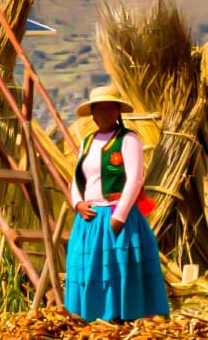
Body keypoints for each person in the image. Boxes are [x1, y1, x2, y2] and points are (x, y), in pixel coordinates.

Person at [64, 85, 169, 322]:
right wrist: (78, 203)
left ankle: (122, 317)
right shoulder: (87, 141)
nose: (105, 114)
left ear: (118, 111)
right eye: (100, 109)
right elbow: (78, 178)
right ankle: (91, 317)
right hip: (89, 218)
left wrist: (119, 217)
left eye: (109, 108)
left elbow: (135, 179)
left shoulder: (128, 139)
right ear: (93, 113)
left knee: (118, 268)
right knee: (89, 268)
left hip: (117, 217)